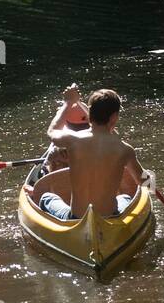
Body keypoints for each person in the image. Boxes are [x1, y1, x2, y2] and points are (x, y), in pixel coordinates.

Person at [37, 85, 146, 220]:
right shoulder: (125, 150)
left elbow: (52, 131)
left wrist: (68, 103)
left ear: (90, 114)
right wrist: (150, 179)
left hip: (76, 217)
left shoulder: (73, 140)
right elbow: (144, 182)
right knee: (125, 197)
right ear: (114, 117)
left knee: (46, 198)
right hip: (110, 216)